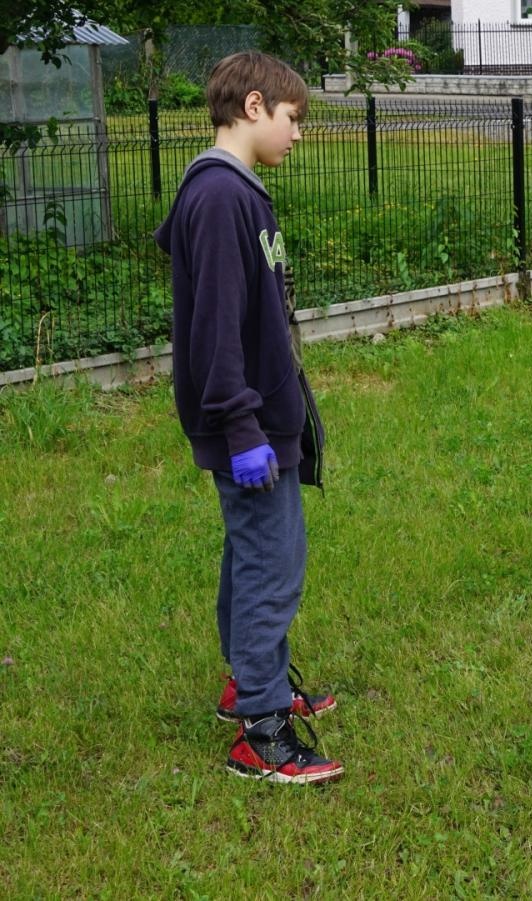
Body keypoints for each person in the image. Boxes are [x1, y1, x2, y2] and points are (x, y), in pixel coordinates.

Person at [155, 51, 342, 785]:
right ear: (257, 105)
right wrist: (241, 427)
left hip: (262, 419)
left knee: (254, 552)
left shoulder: (238, 191)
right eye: (295, 119)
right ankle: (261, 731)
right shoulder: (219, 198)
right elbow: (215, 329)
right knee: (273, 563)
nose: (299, 134)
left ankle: (246, 680)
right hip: (249, 427)